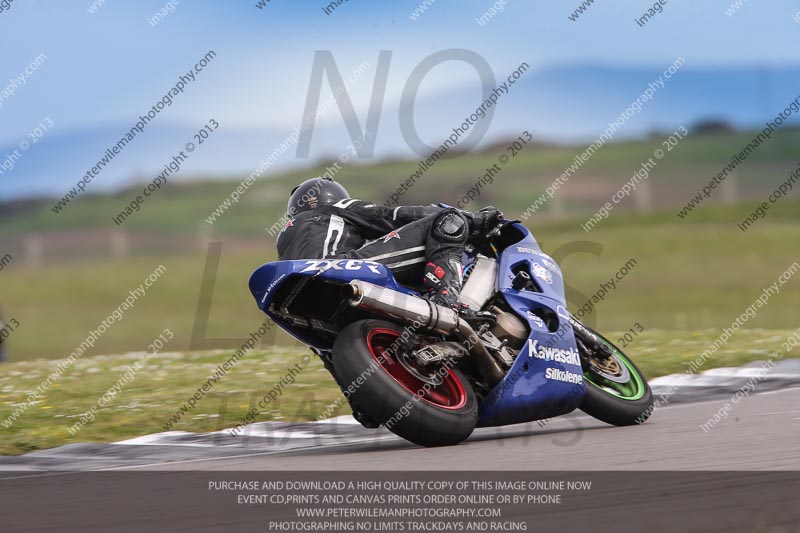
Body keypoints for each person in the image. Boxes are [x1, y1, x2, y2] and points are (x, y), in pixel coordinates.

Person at [277, 176, 502, 310]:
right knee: (447, 219)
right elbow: (391, 217)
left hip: (300, 297)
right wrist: (475, 220)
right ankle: (447, 301)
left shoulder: (284, 236)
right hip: (336, 268)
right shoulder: (335, 207)